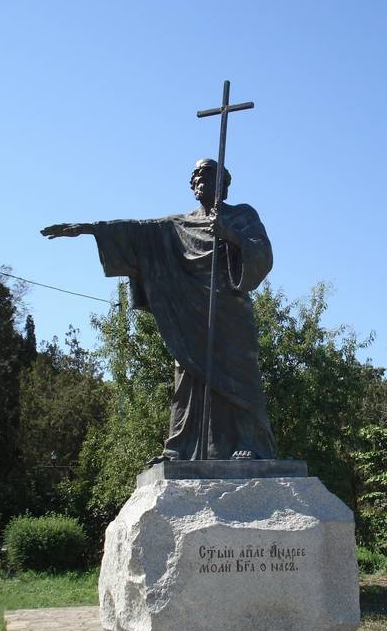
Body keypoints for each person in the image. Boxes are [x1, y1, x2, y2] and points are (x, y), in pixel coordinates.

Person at [41, 158, 276, 462]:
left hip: (229, 312)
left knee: (239, 376)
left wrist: (230, 234)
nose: (199, 179)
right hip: (191, 314)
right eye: (195, 176)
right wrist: (90, 229)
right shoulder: (178, 225)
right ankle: (180, 448)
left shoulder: (243, 215)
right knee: (187, 376)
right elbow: (138, 232)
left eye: (206, 174)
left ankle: (250, 443)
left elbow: (263, 254)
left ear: (224, 183)